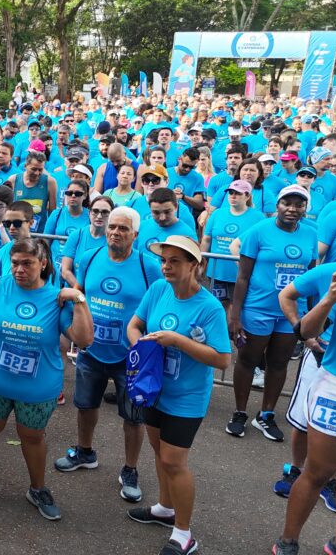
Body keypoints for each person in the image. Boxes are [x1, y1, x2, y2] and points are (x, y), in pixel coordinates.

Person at [0, 238, 93, 522]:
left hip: (37, 387)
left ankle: (38, 489)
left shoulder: (56, 299)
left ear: (43, 263)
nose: (19, 269)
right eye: (15, 263)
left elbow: (84, 340)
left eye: (27, 263)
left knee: (32, 437)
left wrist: (79, 299)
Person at [126, 235, 231, 555]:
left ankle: (184, 533)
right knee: (160, 453)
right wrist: (141, 348)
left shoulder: (210, 307)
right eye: (164, 260)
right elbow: (134, 325)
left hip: (187, 396)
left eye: (175, 261)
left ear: (195, 266)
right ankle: (165, 507)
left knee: (174, 461)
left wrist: (177, 340)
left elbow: (222, 359)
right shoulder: (158, 289)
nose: (167, 266)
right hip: (154, 388)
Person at [54, 206, 161, 503]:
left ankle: (130, 469)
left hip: (131, 357)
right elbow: (80, 295)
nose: (115, 232)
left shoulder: (148, 266)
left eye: (123, 229)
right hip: (92, 350)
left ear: (135, 234)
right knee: (85, 406)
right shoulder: (89, 258)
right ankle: (85, 452)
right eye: (112, 226)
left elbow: (158, 306)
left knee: (133, 417)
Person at [227, 185, 318, 442]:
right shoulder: (258, 231)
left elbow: (310, 279)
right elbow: (242, 277)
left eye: (299, 204)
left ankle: (265, 415)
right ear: (277, 205)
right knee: (248, 359)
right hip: (258, 308)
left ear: (305, 208)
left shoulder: (310, 234)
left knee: (279, 363)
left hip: (291, 313)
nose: (292, 209)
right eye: (286, 203)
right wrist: (235, 316)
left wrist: (311, 314)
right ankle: (240, 412)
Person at [272, 262, 336, 555]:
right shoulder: (335, 274)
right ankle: (288, 540)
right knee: (319, 471)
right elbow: (304, 330)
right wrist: (329, 299)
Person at [200, 179, 265, 306]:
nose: (233, 196)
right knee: (218, 306)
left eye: (237, 193)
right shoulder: (218, 213)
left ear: (247, 196)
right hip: (217, 272)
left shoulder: (258, 217)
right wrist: (201, 261)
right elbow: (206, 239)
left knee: (239, 307)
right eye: (230, 193)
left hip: (242, 273)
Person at [7, 151, 56, 232]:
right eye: (33, 169)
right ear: (25, 166)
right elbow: (7, 207)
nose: (37, 173)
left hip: (39, 233)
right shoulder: (13, 180)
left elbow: (52, 212)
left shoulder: (50, 182)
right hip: (17, 232)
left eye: (40, 170)